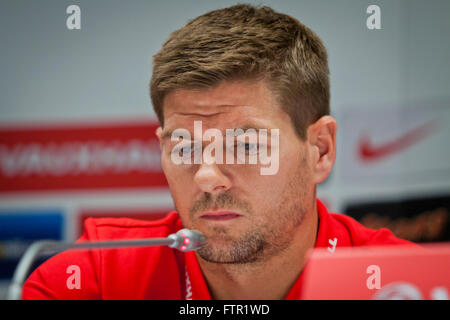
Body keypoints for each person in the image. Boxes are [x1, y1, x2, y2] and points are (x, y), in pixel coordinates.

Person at [23, 4, 413, 300]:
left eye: (245, 144)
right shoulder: (96, 278)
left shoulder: (408, 283)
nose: (207, 176)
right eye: (186, 146)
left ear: (320, 150)